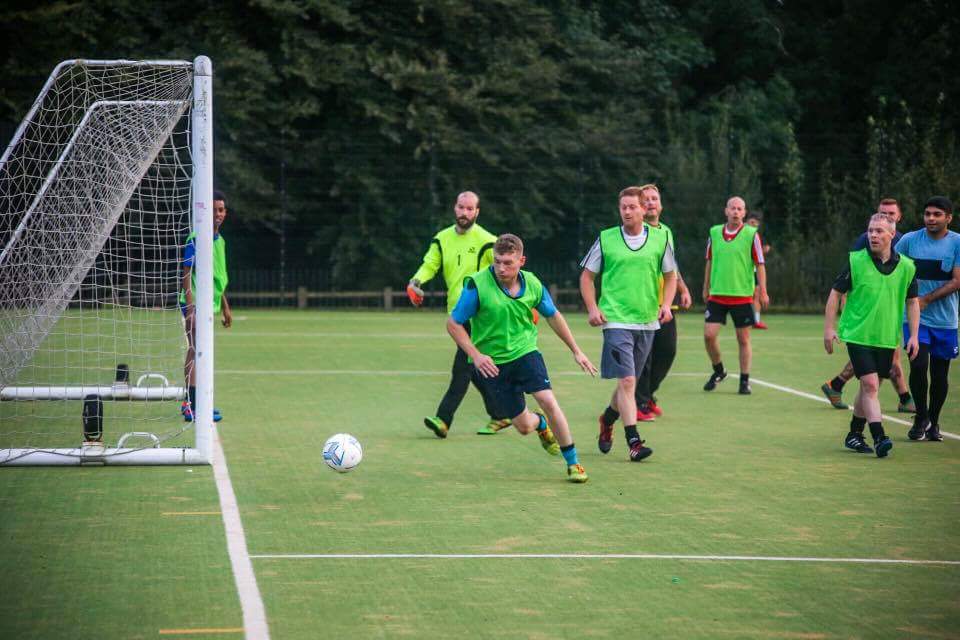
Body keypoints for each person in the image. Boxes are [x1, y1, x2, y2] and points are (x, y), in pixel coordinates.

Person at [447, 233, 597, 482]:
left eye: (508, 263)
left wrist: (576, 350)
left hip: (525, 352)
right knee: (523, 427)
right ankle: (539, 424)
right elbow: (453, 324)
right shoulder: (477, 285)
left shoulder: (533, 284)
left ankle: (573, 463)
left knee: (547, 399)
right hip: (493, 365)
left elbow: (553, 315)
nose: (501, 268)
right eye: (497, 262)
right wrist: (476, 355)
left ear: (522, 261)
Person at [580, 186, 677, 461]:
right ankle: (634, 442)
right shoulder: (607, 238)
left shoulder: (660, 240)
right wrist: (592, 308)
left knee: (627, 384)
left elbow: (670, 275)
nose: (627, 211)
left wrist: (666, 304)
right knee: (628, 380)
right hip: (615, 320)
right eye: (623, 207)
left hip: (647, 321)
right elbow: (587, 277)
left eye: (632, 207)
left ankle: (608, 419)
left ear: (643, 210)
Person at [407, 191, 511, 438]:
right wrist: (415, 282)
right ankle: (501, 413)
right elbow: (429, 264)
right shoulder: (442, 239)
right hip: (458, 315)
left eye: (469, 209)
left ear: (477, 212)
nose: (464, 213)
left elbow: (507, 270)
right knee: (474, 368)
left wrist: (521, 303)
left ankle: (444, 419)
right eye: (461, 207)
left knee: (462, 368)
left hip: (481, 314)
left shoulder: (488, 241)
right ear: (455, 208)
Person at [824, 213, 919, 457]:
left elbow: (912, 302)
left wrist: (913, 335)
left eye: (879, 231)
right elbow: (835, 293)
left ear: (892, 235)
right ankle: (879, 437)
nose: (873, 235)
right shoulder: (856, 261)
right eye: (870, 230)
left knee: (868, 388)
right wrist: (829, 328)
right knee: (870, 384)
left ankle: (854, 433)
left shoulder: (907, 267)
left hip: (886, 337)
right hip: (857, 334)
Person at [895, 196, 960, 442]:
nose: (931, 218)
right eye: (927, 214)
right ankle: (921, 417)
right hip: (914, 318)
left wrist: (927, 299)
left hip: (945, 321)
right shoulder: (910, 240)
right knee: (919, 365)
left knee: (940, 374)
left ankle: (934, 421)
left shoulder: (957, 243)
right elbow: (894, 267)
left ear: (948, 218)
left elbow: (957, 280)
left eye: (937, 214)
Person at [633, 184, 692, 421]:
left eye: (654, 199)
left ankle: (647, 396)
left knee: (667, 352)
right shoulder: (636, 231)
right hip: (644, 305)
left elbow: (671, 267)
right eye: (645, 199)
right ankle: (638, 404)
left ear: (661, 205)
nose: (650, 202)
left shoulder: (666, 231)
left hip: (665, 305)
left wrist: (683, 289)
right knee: (644, 359)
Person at [702, 196, 769, 395]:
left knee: (743, 339)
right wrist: (705, 287)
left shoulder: (751, 234)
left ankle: (744, 380)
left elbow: (760, 265)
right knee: (709, 335)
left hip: (742, 296)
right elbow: (709, 261)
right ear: (726, 211)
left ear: (744, 212)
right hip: (717, 295)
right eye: (733, 208)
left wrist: (763, 290)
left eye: (740, 209)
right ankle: (719, 371)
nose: (736, 212)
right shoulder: (714, 233)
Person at [180, 190, 232, 423]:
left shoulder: (220, 241)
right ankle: (190, 404)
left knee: (202, 351)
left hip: (210, 305)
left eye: (220, 210)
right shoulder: (195, 238)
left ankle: (201, 402)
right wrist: (190, 308)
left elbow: (216, 279)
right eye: (213, 210)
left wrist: (225, 306)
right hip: (195, 305)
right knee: (195, 349)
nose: (217, 214)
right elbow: (186, 273)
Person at [744, 210, 772, 330]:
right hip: (742, 271)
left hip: (753, 269)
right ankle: (745, 319)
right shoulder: (740, 234)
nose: (754, 226)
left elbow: (758, 254)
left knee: (757, 293)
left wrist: (764, 250)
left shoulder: (756, 235)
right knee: (745, 296)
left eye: (756, 225)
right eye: (752, 223)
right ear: (746, 221)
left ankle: (756, 321)